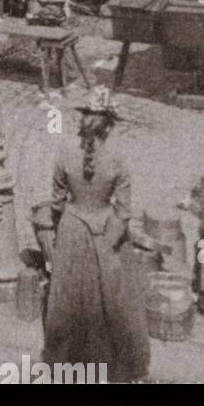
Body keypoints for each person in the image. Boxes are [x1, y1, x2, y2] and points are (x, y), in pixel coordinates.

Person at [42, 87, 151, 382]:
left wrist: (60, 231)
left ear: (83, 120)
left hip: (72, 229)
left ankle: (68, 364)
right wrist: (110, 242)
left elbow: (56, 202)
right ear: (109, 124)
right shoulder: (118, 159)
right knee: (112, 303)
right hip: (106, 230)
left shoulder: (64, 151)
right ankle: (111, 366)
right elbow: (125, 211)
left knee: (68, 301)